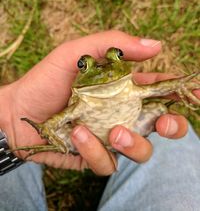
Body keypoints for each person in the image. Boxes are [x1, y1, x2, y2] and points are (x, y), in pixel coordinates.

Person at [0, 31, 199, 211]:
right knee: (175, 153)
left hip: (131, 126)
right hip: (86, 136)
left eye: (118, 56)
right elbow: (52, 123)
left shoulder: (132, 87)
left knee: (160, 111)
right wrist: (32, 132)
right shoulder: (82, 101)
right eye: (83, 66)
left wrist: (180, 84)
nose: (107, 71)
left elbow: (157, 88)